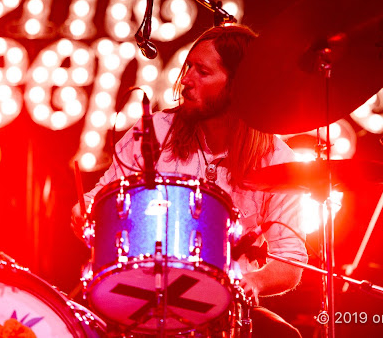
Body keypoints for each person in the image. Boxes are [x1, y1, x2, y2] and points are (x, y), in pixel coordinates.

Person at [71, 24, 307, 337]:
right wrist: (84, 210)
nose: (186, 80)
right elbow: (99, 200)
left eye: (203, 72)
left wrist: (254, 282)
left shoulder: (277, 160)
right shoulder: (153, 132)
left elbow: (290, 261)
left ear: (238, 85)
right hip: (140, 299)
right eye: (189, 67)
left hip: (222, 315)